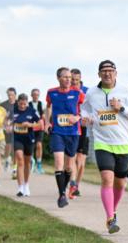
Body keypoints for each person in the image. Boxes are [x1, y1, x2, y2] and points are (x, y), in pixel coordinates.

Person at [81, 60, 128, 233]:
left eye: (110, 70)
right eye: (103, 71)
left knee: (120, 184)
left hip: (123, 143)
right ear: (99, 74)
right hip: (102, 142)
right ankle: (110, 218)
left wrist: (120, 108)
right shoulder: (91, 93)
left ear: (116, 73)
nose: (107, 73)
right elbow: (84, 109)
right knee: (107, 179)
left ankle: (114, 209)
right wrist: (87, 118)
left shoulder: (126, 91)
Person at [45, 68, 84, 207]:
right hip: (57, 132)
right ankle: (62, 195)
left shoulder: (77, 93)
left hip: (73, 133)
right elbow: (48, 107)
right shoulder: (51, 92)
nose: (68, 79)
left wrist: (78, 117)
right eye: (65, 77)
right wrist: (47, 122)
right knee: (59, 162)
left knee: (69, 167)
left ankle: (64, 189)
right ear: (58, 78)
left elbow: (86, 109)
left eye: (69, 77)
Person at [10, 93, 43, 197]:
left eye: (24, 104)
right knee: (20, 159)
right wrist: (8, 126)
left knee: (27, 162)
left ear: (26, 103)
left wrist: (30, 124)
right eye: (20, 104)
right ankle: (20, 188)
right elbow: (6, 121)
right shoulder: (13, 110)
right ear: (18, 102)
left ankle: (26, 185)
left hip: (29, 139)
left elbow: (40, 123)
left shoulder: (31, 111)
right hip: (17, 139)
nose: (22, 106)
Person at [69, 68, 88, 199]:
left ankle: (77, 186)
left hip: (84, 128)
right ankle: (73, 185)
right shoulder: (68, 91)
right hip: (71, 129)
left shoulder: (87, 91)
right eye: (72, 80)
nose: (74, 82)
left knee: (81, 162)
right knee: (74, 159)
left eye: (76, 80)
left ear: (80, 79)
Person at [0, 87, 17, 176]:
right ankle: (7, 159)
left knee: (15, 148)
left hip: (17, 129)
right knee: (8, 146)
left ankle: (14, 168)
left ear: (15, 95)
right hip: (6, 129)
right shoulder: (3, 105)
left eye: (12, 95)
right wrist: (5, 125)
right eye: (9, 95)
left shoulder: (19, 104)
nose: (10, 97)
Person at [29, 88, 46, 174]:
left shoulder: (41, 104)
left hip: (39, 127)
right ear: (31, 95)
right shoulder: (28, 105)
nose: (36, 96)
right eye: (34, 94)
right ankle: (31, 162)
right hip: (31, 127)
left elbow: (44, 115)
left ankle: (39, 164)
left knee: (39, 145)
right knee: (31, 145)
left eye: (37, 95)